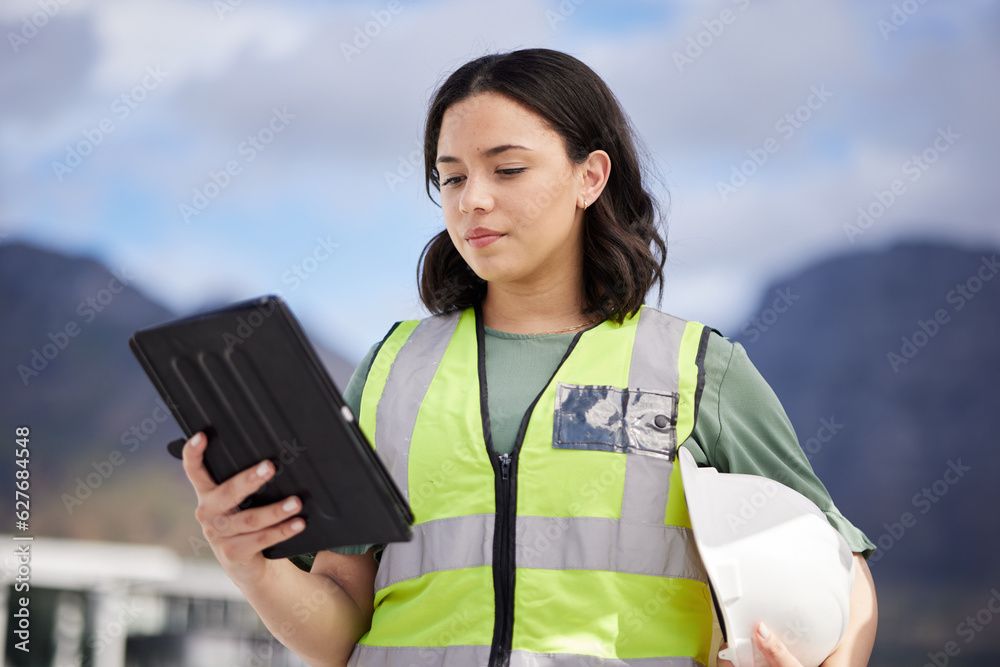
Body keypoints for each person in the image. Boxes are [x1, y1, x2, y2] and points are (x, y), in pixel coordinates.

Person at [181, 48, 878, 667]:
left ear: (590, 177)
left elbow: (838, 568)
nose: (473, 200)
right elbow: (340, 627)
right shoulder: (392, 369)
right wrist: (252, 566)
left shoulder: (696, 366)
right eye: (450, 179)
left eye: (507, 168)